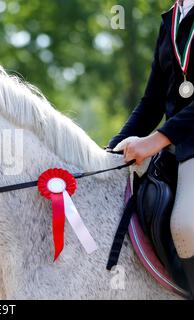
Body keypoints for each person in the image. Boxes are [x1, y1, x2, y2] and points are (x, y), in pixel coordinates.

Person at [106, 0, 194, 297]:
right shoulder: (171, 18)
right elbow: (152, 102)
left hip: (183, 143)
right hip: (176, 146)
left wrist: (156, 139)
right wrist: (111, 150)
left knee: (186, 225)